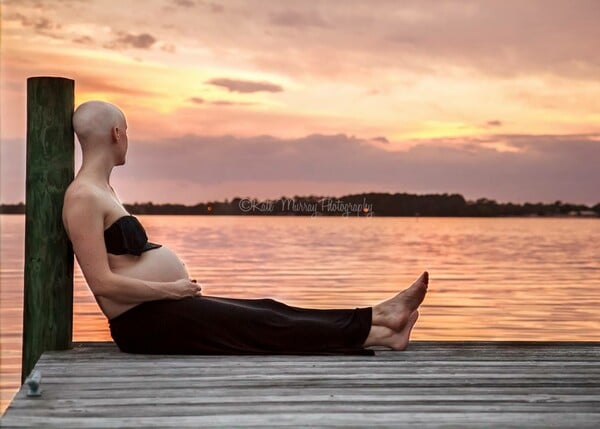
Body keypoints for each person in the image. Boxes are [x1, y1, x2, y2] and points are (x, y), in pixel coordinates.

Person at [62, 100, 429, 356]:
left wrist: (172, 293)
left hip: (160, 312)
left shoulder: (103, 191)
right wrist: (171, 290)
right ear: (116, 133)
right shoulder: (83, 197)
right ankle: (380, 319)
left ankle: (381, 330)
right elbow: (103, 284)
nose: (127, 138)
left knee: (267, 309)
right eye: (127, 131)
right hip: (144, 324)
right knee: (265, 324)